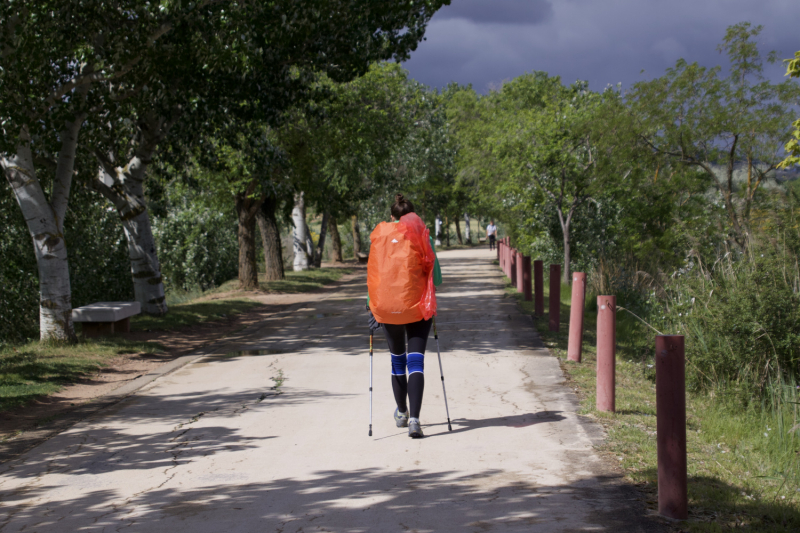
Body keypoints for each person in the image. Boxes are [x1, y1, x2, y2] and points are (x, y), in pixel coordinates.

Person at [367, 194, 442, 438]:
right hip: (418, 309)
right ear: (413, 215)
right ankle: (415, 421)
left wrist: (372, 308)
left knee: (398, 361)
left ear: (391, 217)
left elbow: (374, 276)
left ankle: (401, 412)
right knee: (416, 362)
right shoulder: (422, 236)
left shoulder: (380, 237)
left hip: (389, 310)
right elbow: (437, 278)